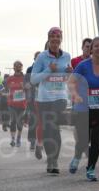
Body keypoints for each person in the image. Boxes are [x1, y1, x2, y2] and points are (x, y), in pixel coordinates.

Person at [70, 37, 99, 181]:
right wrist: (75, 94)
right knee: (84, 140)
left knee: (96, 141)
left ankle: (91, 169)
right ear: (91, 49)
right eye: (96, 46)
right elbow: (71, 82)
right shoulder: (83, 66)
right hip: (83, 108)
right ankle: (77, 157)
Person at [30, 27, 72, 174]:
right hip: (44, 99)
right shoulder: (42, 57)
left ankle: (54, 160)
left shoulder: (66, 56)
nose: (55, 41)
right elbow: (33, 79)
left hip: (60, 97)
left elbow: (67, 78)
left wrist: (69, 74)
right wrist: (48, 70)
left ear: (61, 40)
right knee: (49, 130)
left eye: (58, 38)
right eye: (52, 38)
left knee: (54, 127)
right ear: (48, 40)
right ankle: (50, 159)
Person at [4, 62, 28, 147]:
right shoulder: (10, 79)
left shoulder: (25, 78)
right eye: (16, 66)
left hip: (22, 104)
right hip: (12, 104)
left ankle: (18, 138)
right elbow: (6, 89)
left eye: (19, 66)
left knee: (19, 122)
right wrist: (7, 94)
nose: (18, 68)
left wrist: (25, 87)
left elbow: (29, 88)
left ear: (21, 68)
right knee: (13, 121)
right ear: (13, 68)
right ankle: (13, 139)